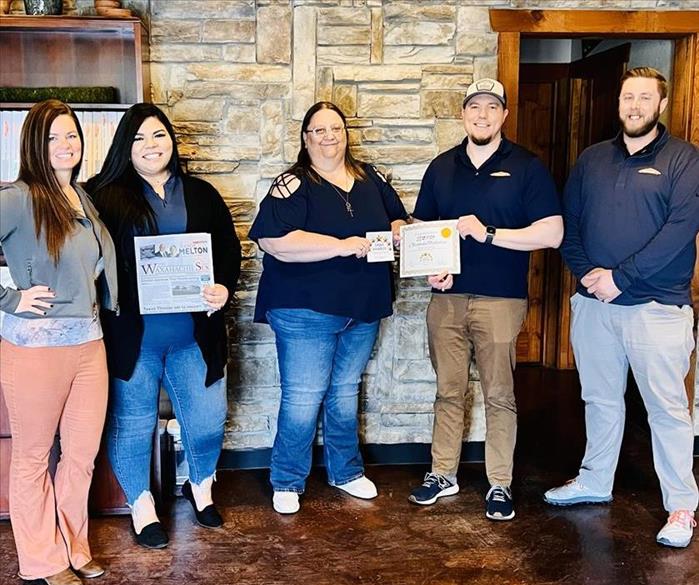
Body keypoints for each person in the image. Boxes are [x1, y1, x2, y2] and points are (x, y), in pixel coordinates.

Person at [544, 67, 699, 548]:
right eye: (627, 96)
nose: (634, 105)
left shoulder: (685, 159)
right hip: (594, 306)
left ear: (661, 104)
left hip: (656, 307)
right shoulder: (592, 159)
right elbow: (568, 223)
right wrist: (589, 274)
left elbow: (679, 231)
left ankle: (681, 506)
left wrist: (621, 277)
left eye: (644, 98)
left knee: (667, 410)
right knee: (600, 399)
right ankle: (595, 479)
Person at [86, 103, 241, 549]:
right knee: (133, 424)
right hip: (133, 339)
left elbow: (228, 250)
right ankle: (142, 504)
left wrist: (223, 288)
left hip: (195, 335)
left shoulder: (201, 193)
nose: (150, 146)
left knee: (208, 418)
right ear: (124, 148)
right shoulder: (102, 195)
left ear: (171, 139)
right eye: (138, 139)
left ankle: (201, 485)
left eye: (158, 135)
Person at [408, 78, 563, 521]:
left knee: (499, 394)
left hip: (501, 299)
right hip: (447, 299)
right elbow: (421, 228)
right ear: (463, 114)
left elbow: (551, 233)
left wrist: (489, 233)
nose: (482, 114)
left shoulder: (527, 167)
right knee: (448, 391)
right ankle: (442, 473)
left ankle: (499, 482)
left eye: (491, 107)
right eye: (474, 106)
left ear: (504, 115)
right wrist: (429, 267)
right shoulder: (441, 167)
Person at [249, 101, 408, 515]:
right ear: (305, 139)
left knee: (344, 392)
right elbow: (273, 241)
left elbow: (397, 220)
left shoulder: (370, 177)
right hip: (305, 309)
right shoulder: (292, 183)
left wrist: (402, 234)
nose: (328, 136)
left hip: (364, 306)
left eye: (335, 128)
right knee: (304, 397)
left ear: (346, 133)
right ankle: (286, 479)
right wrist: (342, 246)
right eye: (317, 130)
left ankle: (347, 472)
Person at [0, 100, 118, 585]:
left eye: (71, 135)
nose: (65, 145)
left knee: (80, 456)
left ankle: (74, 546)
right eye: (52, 137)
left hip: (90, 347)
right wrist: (9, 297)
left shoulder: (81, 196)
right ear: (32, 143)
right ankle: (41, 557)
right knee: (31, 457)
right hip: (36, 349)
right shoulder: (19, 197)